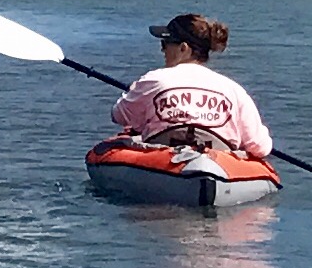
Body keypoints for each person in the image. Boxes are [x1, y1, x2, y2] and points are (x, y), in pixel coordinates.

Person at [111, 12, 274, 162]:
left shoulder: (153, 80)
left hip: (163, 163)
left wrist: (133, 92)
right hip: (218, 163)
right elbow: (260, 147)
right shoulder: (234, 90)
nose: (162, 49)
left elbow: (119, 115)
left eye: (165, 43)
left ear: (183, 48)